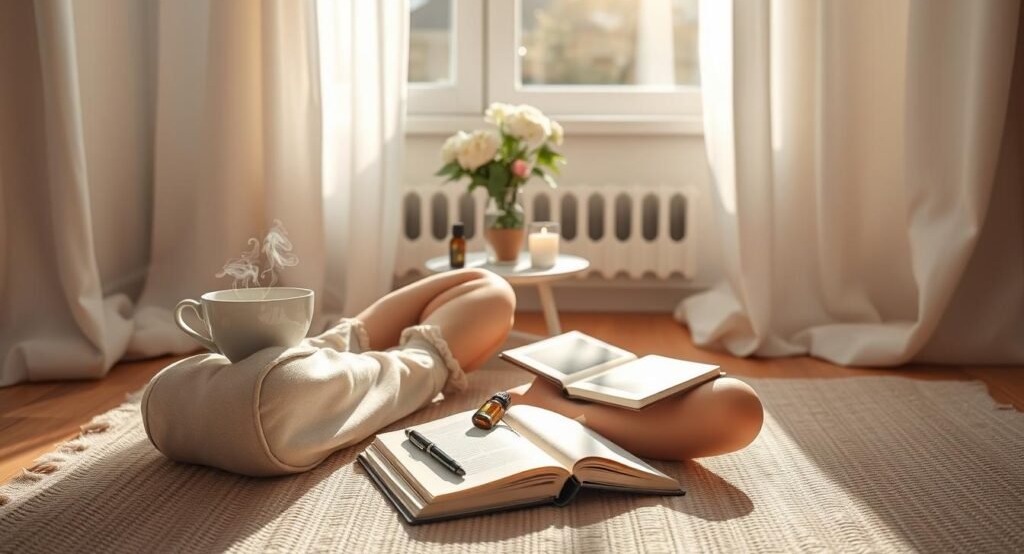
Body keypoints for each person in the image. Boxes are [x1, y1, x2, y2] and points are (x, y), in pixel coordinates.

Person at [143, 268, 762, 476]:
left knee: (468, 300)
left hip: (293, 378)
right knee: (489, 292)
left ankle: (557, 405)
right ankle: (559, 406)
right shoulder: (304, 387)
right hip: (308, 383)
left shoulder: (167, 396)